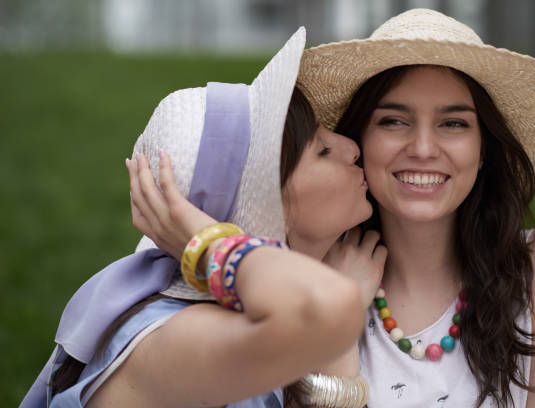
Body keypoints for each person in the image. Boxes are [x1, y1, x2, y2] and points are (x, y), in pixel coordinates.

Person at [138, 9, 535, 408]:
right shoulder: (299, 284)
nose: (422, 148)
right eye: (393, 121)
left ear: (484, 150)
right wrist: (340, 330)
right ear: (359, 140)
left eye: (453, 123)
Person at [21, 28, 384, 408]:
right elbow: (325, 307)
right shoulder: (174, 338)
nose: (352, 147)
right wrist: (204, 240)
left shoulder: (220, 328)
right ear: (268, 205)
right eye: (322, 150)